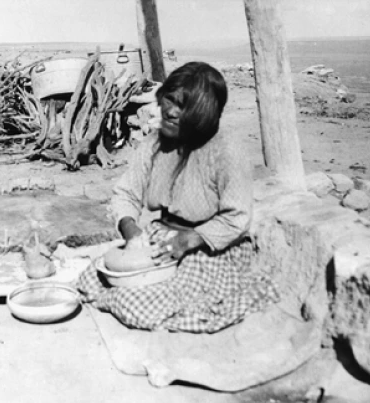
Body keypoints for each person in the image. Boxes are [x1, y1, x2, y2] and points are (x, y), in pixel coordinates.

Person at [76, 62, 279, 333]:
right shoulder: (156, 143)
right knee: (91, 278)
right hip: (162, 237)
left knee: (141, 306)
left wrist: (190, 239)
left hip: (207, 247)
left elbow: (237, 217)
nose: (170, 111)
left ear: (204, 115)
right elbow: (126, 193)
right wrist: (131, 230)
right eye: (169, 100)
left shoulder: (228, 150)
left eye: (183, 107)